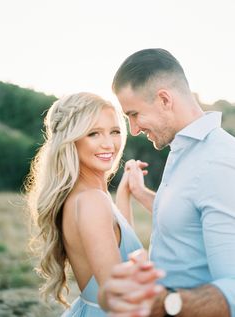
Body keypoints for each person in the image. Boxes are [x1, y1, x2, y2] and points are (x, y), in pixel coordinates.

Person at [99, 48, 235, 317]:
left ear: (164, 99)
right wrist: (141, 192)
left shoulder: (219, 162)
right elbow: (188, 218)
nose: (134, 130)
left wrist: (165, 304)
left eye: (134, 114)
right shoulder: (183, 149)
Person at [25, 92, 160, 317]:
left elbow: (118, 247)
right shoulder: (91, 201)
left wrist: (126, 193)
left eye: (114, 131)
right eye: (93, 133)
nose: (109, 144)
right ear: (72, 139)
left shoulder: (87, 196)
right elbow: (119, 297)